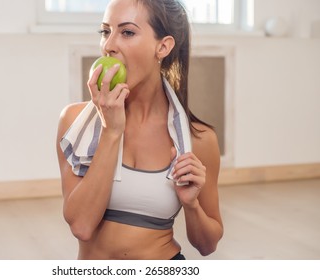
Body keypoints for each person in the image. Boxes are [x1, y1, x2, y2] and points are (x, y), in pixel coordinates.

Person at [56, 0, 223, 260]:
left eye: (127, 32)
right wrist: (111, 132)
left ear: (163, 46)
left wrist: (191, 205)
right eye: (105, 31)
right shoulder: (75, 122)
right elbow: (81, 225)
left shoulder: (198, 140)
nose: (109, 45)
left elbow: (207, 244)